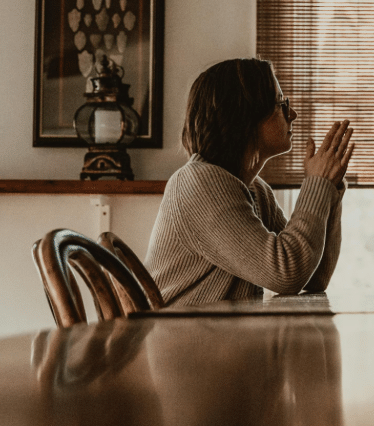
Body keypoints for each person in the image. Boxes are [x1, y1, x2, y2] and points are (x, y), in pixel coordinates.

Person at [145, 58, 355, 306]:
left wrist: (329, 189)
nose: (293, 114)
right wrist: (317, 183)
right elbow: (286, 273)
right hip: (178, 339)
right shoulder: (199, 183)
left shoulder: (255, 189)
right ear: (243, 114)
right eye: (281, 104)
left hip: (214, 335)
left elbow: (313, 278)